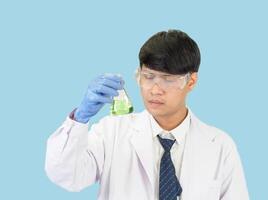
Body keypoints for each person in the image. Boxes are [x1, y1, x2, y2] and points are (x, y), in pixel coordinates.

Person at [45, 29, 249, 200]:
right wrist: (79, 119)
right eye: (148, 77)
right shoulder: (112, 132)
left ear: (191, 81)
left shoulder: (220, 146)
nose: (155, 89)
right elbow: (66, 176)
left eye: (168, 79)